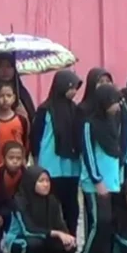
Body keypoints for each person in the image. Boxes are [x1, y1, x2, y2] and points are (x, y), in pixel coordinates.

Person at [78, 85, 126, 253]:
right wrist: (97, 180)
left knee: (110, 223)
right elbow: (88, 154)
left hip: (112, 179)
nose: (117, 106)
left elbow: (117, 150)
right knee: (99, 221)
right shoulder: (90, 124)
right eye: (113, 102)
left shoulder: (114, 121)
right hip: (94, 182)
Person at [30, 70, 83, 238]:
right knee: (52, 207)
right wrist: (37, 162)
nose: (74, 91)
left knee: (71, 208)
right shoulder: (44, 110)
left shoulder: (75, 109)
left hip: (71, 167)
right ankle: (53, 245)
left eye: (76, 88)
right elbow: (35, 137)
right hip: (50, 166)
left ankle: (71, 242)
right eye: (71, 87)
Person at [5, 165, 76, 253]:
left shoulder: (52, 201)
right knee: (33, 243)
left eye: (47, 181)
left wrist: (67, 238)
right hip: (21, 237)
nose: (45, 185)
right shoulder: (20, 200)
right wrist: (56, 233)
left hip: (44, 235)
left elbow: (60, 223)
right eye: (41, 181)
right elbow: (28, 229)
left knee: (65, 243)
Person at [0, 52, 35, 118]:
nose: (4, 70)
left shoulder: (21, 92)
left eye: (8, 66)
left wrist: (24, 117)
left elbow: (32, 118)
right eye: (0, 66)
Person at [0, 81, 29, 155]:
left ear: (14, 98)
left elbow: (25, 143)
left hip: (16, 162)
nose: (5, 99)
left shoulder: (21, 120)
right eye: (0, 96)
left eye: (9, 96)